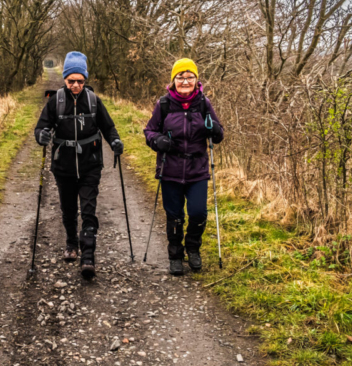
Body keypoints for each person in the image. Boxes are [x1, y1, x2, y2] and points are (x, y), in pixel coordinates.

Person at [35, 51, 123, 279]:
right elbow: (41, 128)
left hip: (90, 164)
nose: (75, 85)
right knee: (68, 209)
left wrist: (114, 141)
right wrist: (42, 136)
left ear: (85, 80)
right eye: (71, 81)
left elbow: (108, 127)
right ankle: (71, 243)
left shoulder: (94, 101)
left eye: (80, 81)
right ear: (65, 79)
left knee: (88, 210)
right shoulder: (56, 101)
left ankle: (88, 257)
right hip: (63, 166)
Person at [143, 58, 224, 276]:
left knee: (198, 214)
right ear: (173, 80)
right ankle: (175, 254)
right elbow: (149, 131)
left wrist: (214, 129)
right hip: (170, 168)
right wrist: (157, 141)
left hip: (197, 169)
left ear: (196, 80)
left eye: (190, 77)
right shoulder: (164, 104)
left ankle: (193, 248)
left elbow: (219, 135)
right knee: (175, 216)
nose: (185, 81)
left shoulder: (204, 104)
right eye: (181, 77)